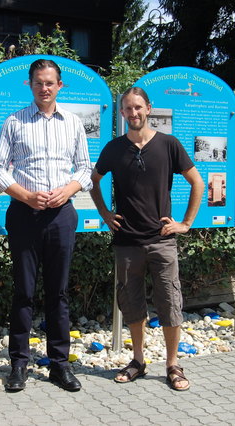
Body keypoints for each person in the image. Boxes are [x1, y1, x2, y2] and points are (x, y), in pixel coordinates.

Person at [89, 87, 204, 391]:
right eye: (128, 108)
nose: (134, 113)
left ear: (148, 109)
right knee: (132, 303)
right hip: (127, 241)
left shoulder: (168, 144)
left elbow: (197, 182)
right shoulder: (114, 148)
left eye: (138, 107)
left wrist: (186, 223)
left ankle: (172, 364)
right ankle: (138, 360)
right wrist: (105, 213)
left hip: (162, 240)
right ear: (122, 112)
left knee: (169, 302)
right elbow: (93, 181)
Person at [0, 59, 92, 392]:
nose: (44, 88)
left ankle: (59, 365)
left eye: (50, 83)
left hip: (62, 215)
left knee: (58, 293)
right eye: (38, 82)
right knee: (23, 291)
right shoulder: (14, 121)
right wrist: (24, 195)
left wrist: (68, 189)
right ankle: (19, 363)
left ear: (59, 85)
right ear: (30, 84)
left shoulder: (74, 123)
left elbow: (84, 169)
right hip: (24, 215)